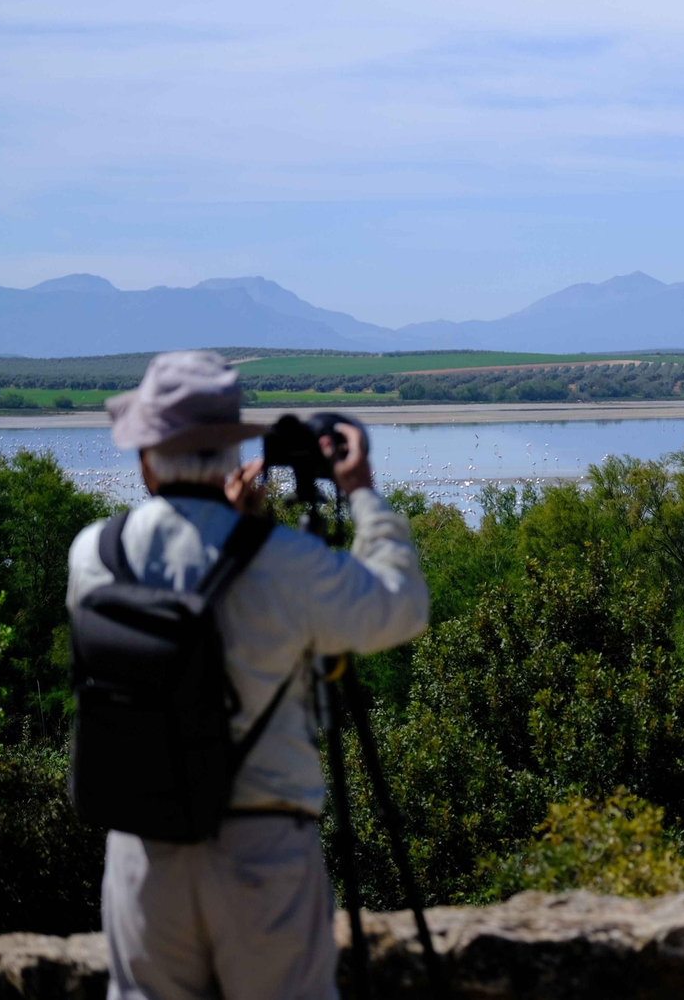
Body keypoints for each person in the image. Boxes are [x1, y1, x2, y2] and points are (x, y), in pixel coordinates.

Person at [65, 350, 430, 1000]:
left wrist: (236, 530)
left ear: (147, 458)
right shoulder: (284, 562)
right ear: (232, 454)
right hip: (262, 851)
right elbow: (399, 607)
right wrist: (362, 492)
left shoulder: (94, 555)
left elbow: (188, 588)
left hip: (142, 854)